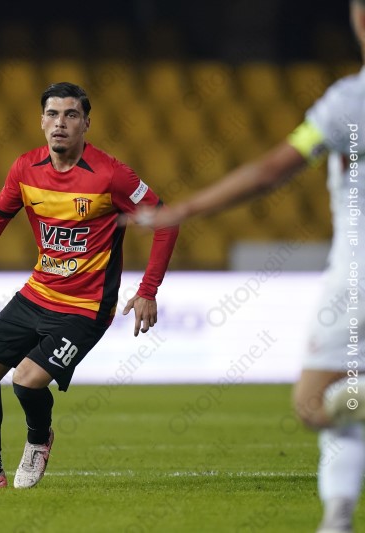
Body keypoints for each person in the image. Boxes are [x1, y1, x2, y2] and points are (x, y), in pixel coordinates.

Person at [129, 2, 365, 530]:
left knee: (317, 404)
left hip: (358, 278)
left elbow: (270, 170)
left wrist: (184, 209)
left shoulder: (351, 101)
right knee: (349, 399)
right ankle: (338, 516)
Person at [0, 82, 179, 489]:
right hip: (37, 293)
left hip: (85, 307)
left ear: (86, 124)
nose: (61, 123)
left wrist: (148, 290)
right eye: (53, 114)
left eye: (71, 115)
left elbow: (166, 221)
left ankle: (39, 440)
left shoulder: (111, 175)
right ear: (41, 121)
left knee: (26, 380)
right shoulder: (25, 168)